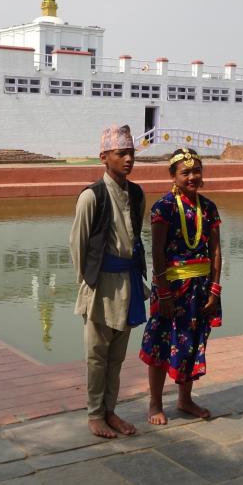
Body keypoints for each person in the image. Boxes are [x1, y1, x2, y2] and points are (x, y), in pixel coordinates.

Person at [69, 124, 148, 438]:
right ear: (104, 157)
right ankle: (94, 415)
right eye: (121, 153)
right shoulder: (92, 197)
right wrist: (87, 286)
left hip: (128, 284)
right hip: (100, 287)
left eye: (131, 153)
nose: (128, 159)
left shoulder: (137, 194)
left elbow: (135, 236)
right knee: (97, 356)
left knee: (116, 357)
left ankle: (110, 410)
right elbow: (78, 246)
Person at [139, 147, 222, 425]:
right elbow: (157, 252)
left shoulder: (208, 207)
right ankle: (155, 403)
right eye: (185, 172)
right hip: (171, 288)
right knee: (162, 345)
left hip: (200, 287)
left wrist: (215, 288)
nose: (192, 176)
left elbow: (217, 250)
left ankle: (185, 399)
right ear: (173, 176)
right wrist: (162, 292)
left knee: (193, 342)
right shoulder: (163, 207)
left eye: (196, 171)